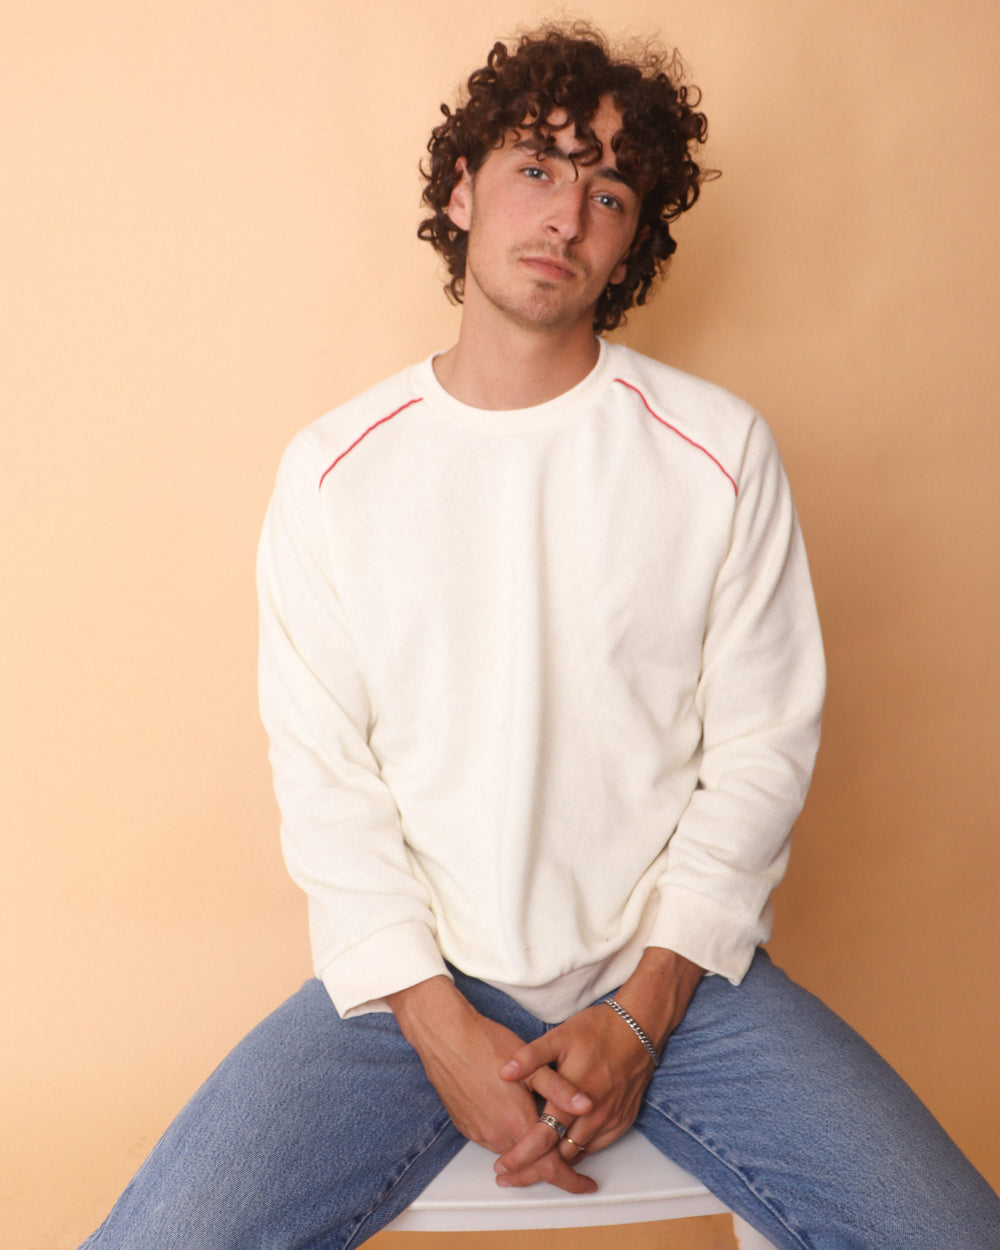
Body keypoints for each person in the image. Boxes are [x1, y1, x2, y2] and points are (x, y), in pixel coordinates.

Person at [81, 23, 1000, 1249]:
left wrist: (642, 1011)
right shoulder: (334, 470)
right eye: (537, 167)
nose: (566, 214)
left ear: (630, 242)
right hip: (405, 994)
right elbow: (324, 774)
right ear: (462, 191)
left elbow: (761, 749)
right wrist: (435, 1020)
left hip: (673, 983)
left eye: (607, 193)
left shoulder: (717, 450)